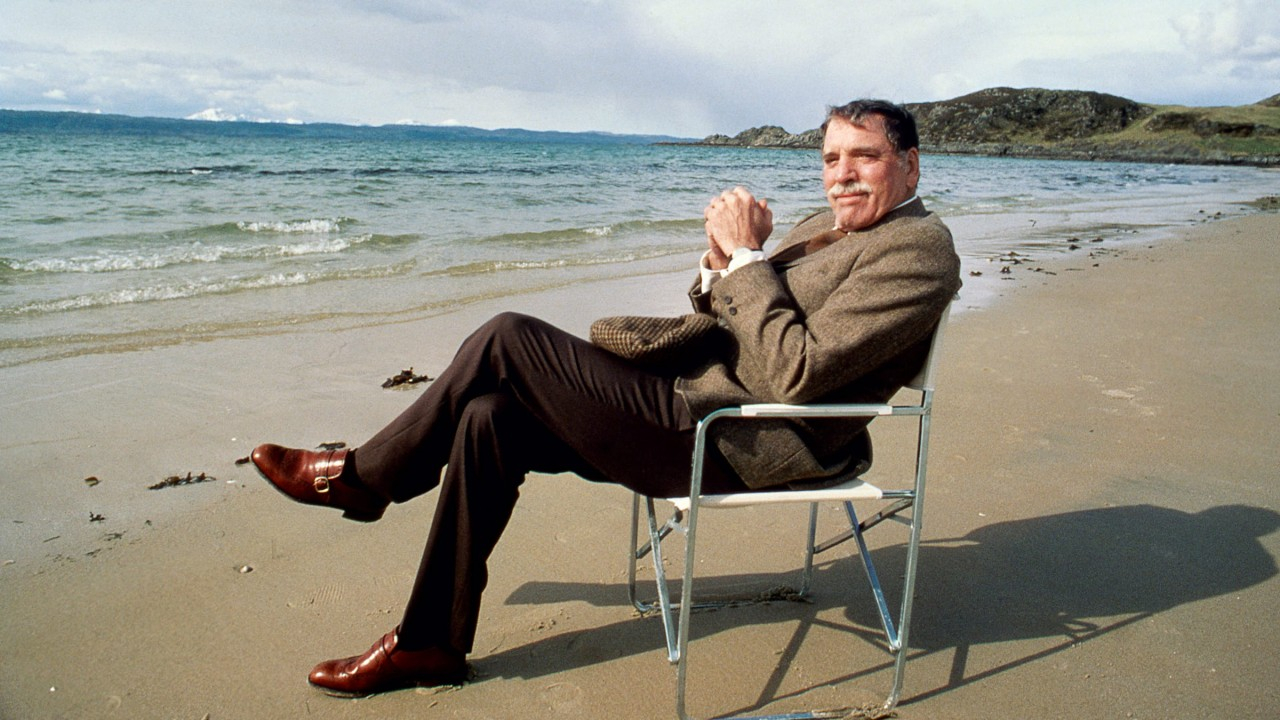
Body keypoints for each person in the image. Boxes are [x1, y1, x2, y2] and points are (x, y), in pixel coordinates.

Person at [251, 98, 962, 696]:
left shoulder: (918, 250)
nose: (841, 175)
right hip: (691, 403)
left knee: (507, 336)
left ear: (910, 164)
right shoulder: (821, 228)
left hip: (740, 439)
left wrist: (748, 259)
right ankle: (428, 643)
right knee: (488, 417)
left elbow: (796, 374)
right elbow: (731, 316)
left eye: (863, 157)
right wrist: (721, 261)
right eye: (831, 159)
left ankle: (365, 477)